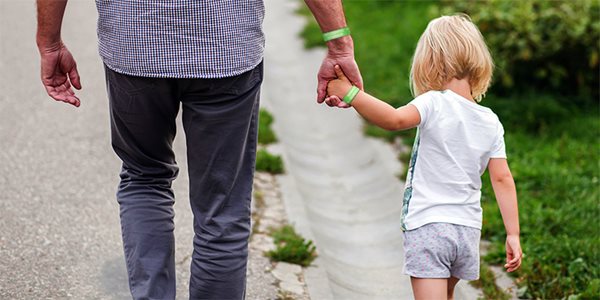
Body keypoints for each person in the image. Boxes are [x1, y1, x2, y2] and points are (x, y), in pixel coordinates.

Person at [36, 0, 362, 299]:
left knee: (144, 179)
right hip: (225, 45)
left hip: (134, 44)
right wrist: (338, 42)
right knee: (223, 206)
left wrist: (49, 42)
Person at [325, 14, 522, 300]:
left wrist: (351, 93)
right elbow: (502, 178)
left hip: (429, 226)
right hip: (467, 231)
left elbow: (392, 119)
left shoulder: (433, 103)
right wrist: (512, 234)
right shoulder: (490, 120)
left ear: (430, 62)